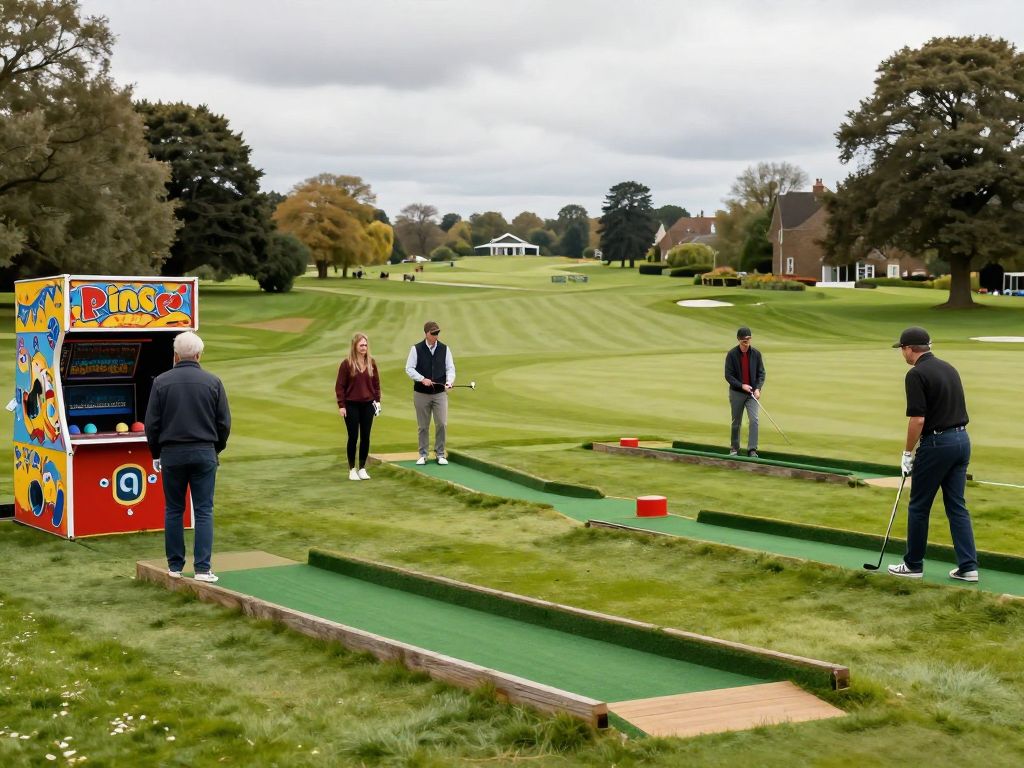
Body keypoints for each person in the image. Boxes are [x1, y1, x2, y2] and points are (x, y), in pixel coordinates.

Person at [887, 327, 978, 582]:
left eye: (902, 349)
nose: (902, 353)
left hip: (937, 444)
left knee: (919, 505)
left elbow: (917, 420)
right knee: (957, 506)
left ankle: (913, 565)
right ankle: (968, 567)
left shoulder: (916, 374)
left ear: (909, 349)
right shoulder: (948, 367)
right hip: (962, 440)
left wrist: (907, 452)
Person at [144, 331, 231, 583]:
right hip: (204, 451)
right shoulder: (213, 382)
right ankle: (203, 569)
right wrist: (216, 449)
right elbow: (223, 423)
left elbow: (152, 424)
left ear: (175, 355)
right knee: (203, 510)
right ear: (199, 354)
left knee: (174, 508)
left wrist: (155, 453)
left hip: (172, 453)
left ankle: (174, 566)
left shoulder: (161, 382)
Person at [405, 320, 455, 465]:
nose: (436, 336)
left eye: (437, 333)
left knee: (442, 423)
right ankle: (423, 454)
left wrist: (449, 381)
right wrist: (421, 379)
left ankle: (440, 454)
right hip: (421, 393)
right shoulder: (416, 349)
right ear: (426, 334)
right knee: (423, 426)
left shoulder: (445, 349)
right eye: (433, 334)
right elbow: (409, 368)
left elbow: (450, 368)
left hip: (440, 393)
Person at [335, 332, 382, 481]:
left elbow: (376, 384)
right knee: (353, 436)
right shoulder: (347, 364)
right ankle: (352, 469)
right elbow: (340, 386)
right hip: (351, 405)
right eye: (361, 345)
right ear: (355, 346)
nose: (364, 347)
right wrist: (341, 405)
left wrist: (377, 400)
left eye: (366, 345)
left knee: (366, 437)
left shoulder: (371, 362)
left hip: (368, 404)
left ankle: (362, 468)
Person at [724, 326, 765, 457]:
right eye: (743, 341)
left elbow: (761, 373)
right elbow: (728, 375)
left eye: (748, 340)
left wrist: (758, 388)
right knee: (736, 421)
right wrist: (742, 386)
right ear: (739, 340)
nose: (746, 343)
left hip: (752, 393)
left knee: (754, 420)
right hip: (737, 392)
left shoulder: (756, 354)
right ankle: (734, 448)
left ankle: (752, 449)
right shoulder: (732, 354)